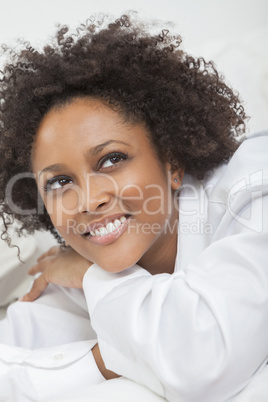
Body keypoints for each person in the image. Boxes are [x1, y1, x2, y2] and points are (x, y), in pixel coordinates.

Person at [0, 13, 267, 402]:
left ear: (172, 163)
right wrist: (110, 357)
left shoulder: (254, 187)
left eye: (111, 160)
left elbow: (201, 363)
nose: (90, 201)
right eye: (60, 182)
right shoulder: (76, 273)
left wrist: (96, 280)